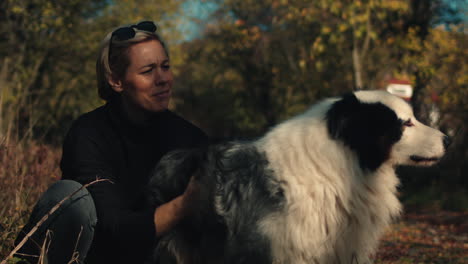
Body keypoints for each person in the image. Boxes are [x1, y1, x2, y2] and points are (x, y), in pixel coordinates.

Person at [15, 21, 208, 264]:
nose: (163, 79)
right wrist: (185, 205)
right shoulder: (88, 134)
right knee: (70, 197)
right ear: (116, 81)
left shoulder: (191, 138)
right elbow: (114, 230)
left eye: (165, 66)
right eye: (148, 71)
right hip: (92, 256)